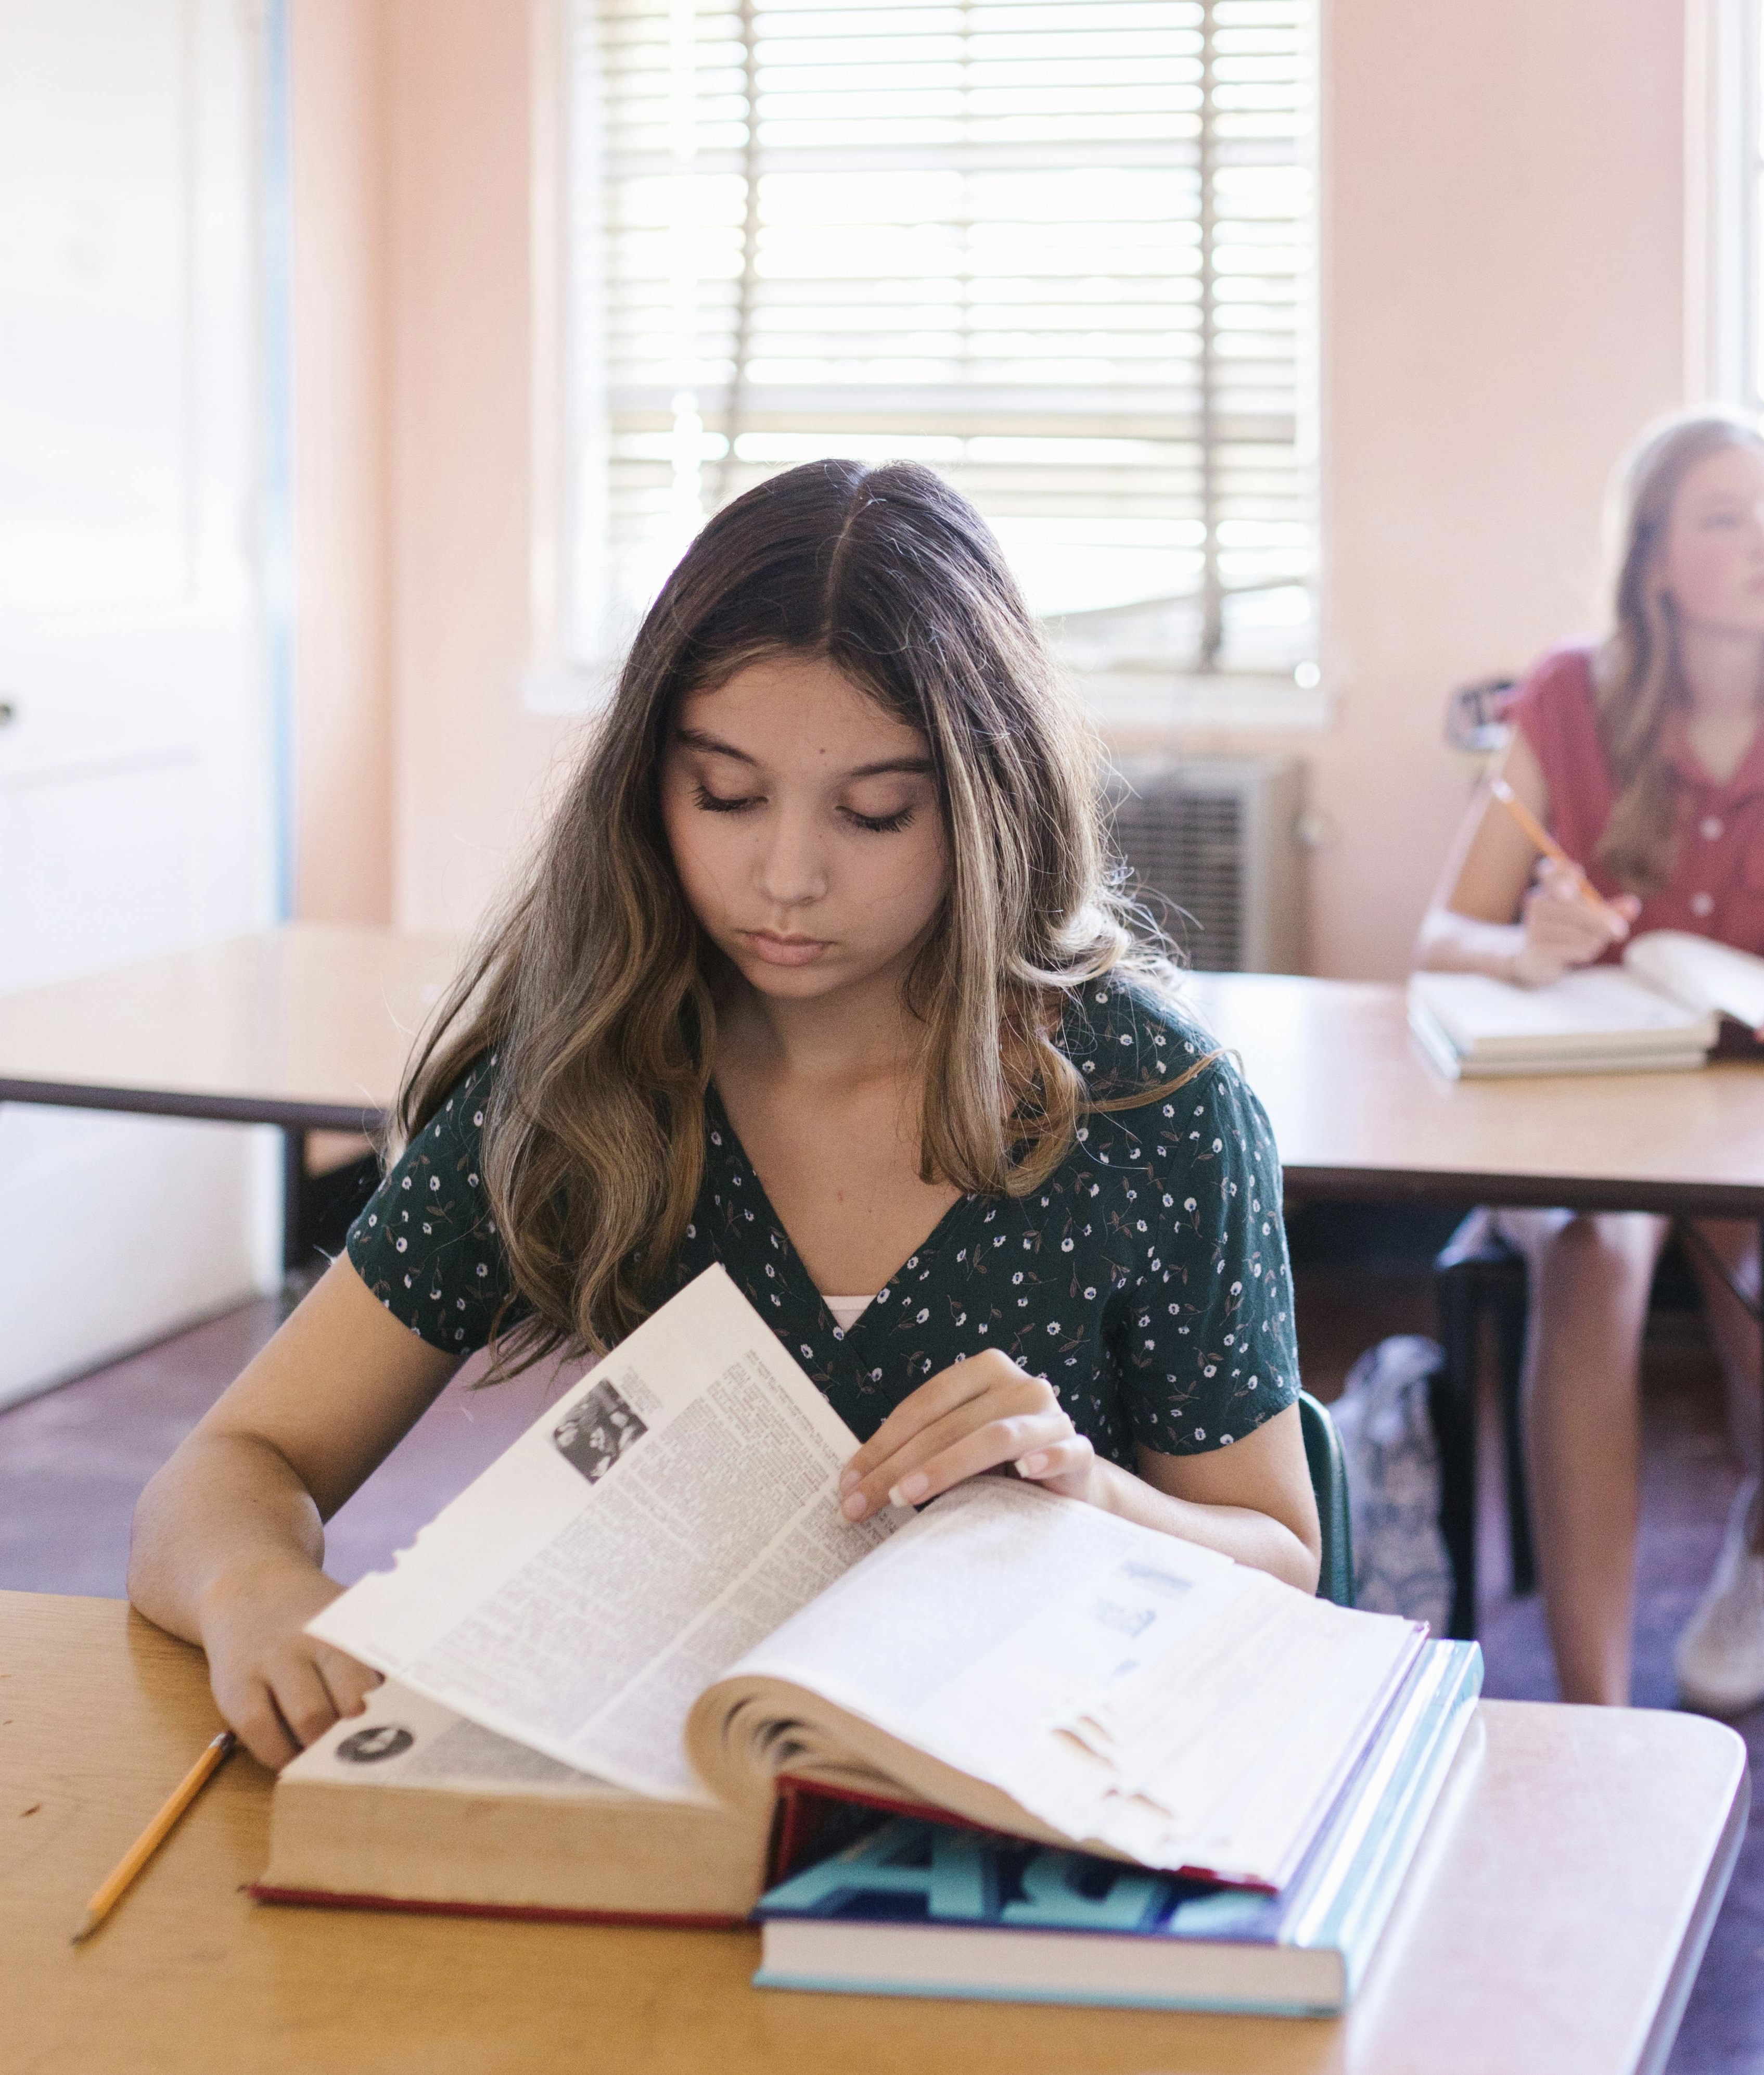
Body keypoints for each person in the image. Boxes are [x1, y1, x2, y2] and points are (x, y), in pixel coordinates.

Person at [129, 461, 1319, 1769]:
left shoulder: (1154, 1109)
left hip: (1020, 1780)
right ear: (649, 785)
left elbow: (1279, 1565)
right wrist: (256, 1593)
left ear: (987, 802)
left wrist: (1084, 1490)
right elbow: (232, 1463)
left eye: (874, 812)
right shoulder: (591, 1078)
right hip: (666, 1774)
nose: (788, 877)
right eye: (727, 795)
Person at [1415, 411, 1764, 1713]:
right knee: (1587, 1258)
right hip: (1590, 1097)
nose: (1763, 541)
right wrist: (1526, 947)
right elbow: (1443, 937)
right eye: (1723, 518)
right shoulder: (1569, 696)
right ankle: (1592, 1713)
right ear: (1654, 561)